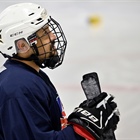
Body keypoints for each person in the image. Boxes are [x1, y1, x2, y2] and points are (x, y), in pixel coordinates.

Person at [0, 3, 119, 140]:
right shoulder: (18, 88)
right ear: (22, 46)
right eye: (44, 33)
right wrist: (83, 130)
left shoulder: (30, 75)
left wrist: (87, 117)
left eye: (49, 29)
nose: (53, 37)